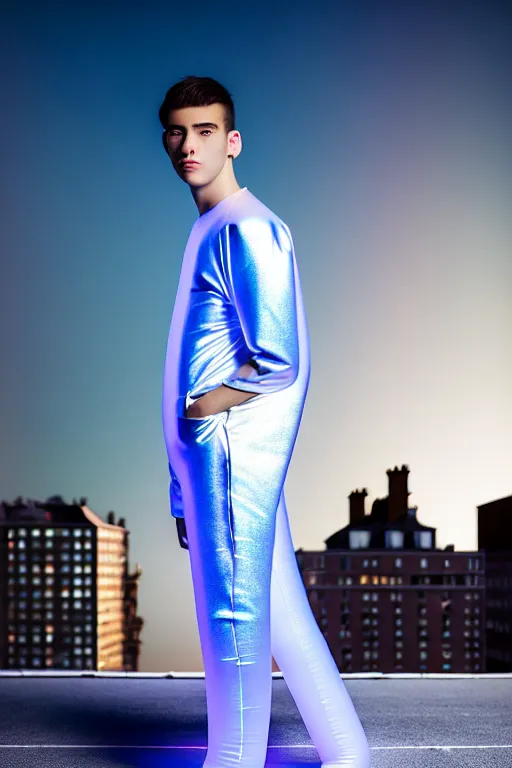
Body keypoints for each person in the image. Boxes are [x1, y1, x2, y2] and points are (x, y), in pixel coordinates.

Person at [160, 75, 371, 768]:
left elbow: (278, 359)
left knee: (234, 622)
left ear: (233, 140)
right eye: (178, 132)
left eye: (205, 131)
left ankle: (232, 761)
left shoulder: (249, 228)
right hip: (211, 465)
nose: (189, 146)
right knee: (279, 614)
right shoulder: (210, 227)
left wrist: (201, 412)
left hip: (229, 460)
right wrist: (178, 483)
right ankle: (348, 754)